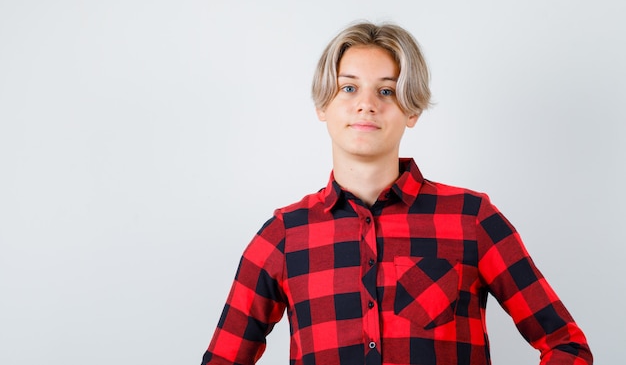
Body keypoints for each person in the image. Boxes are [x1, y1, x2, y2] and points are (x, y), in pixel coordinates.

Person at [200, 22, 593, 365]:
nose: (367, 105)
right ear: (324, 105)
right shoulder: (284, 235)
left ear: (412, 111)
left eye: (386, 91)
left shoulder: (471, 219)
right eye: (348, 88)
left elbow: (565, 344)